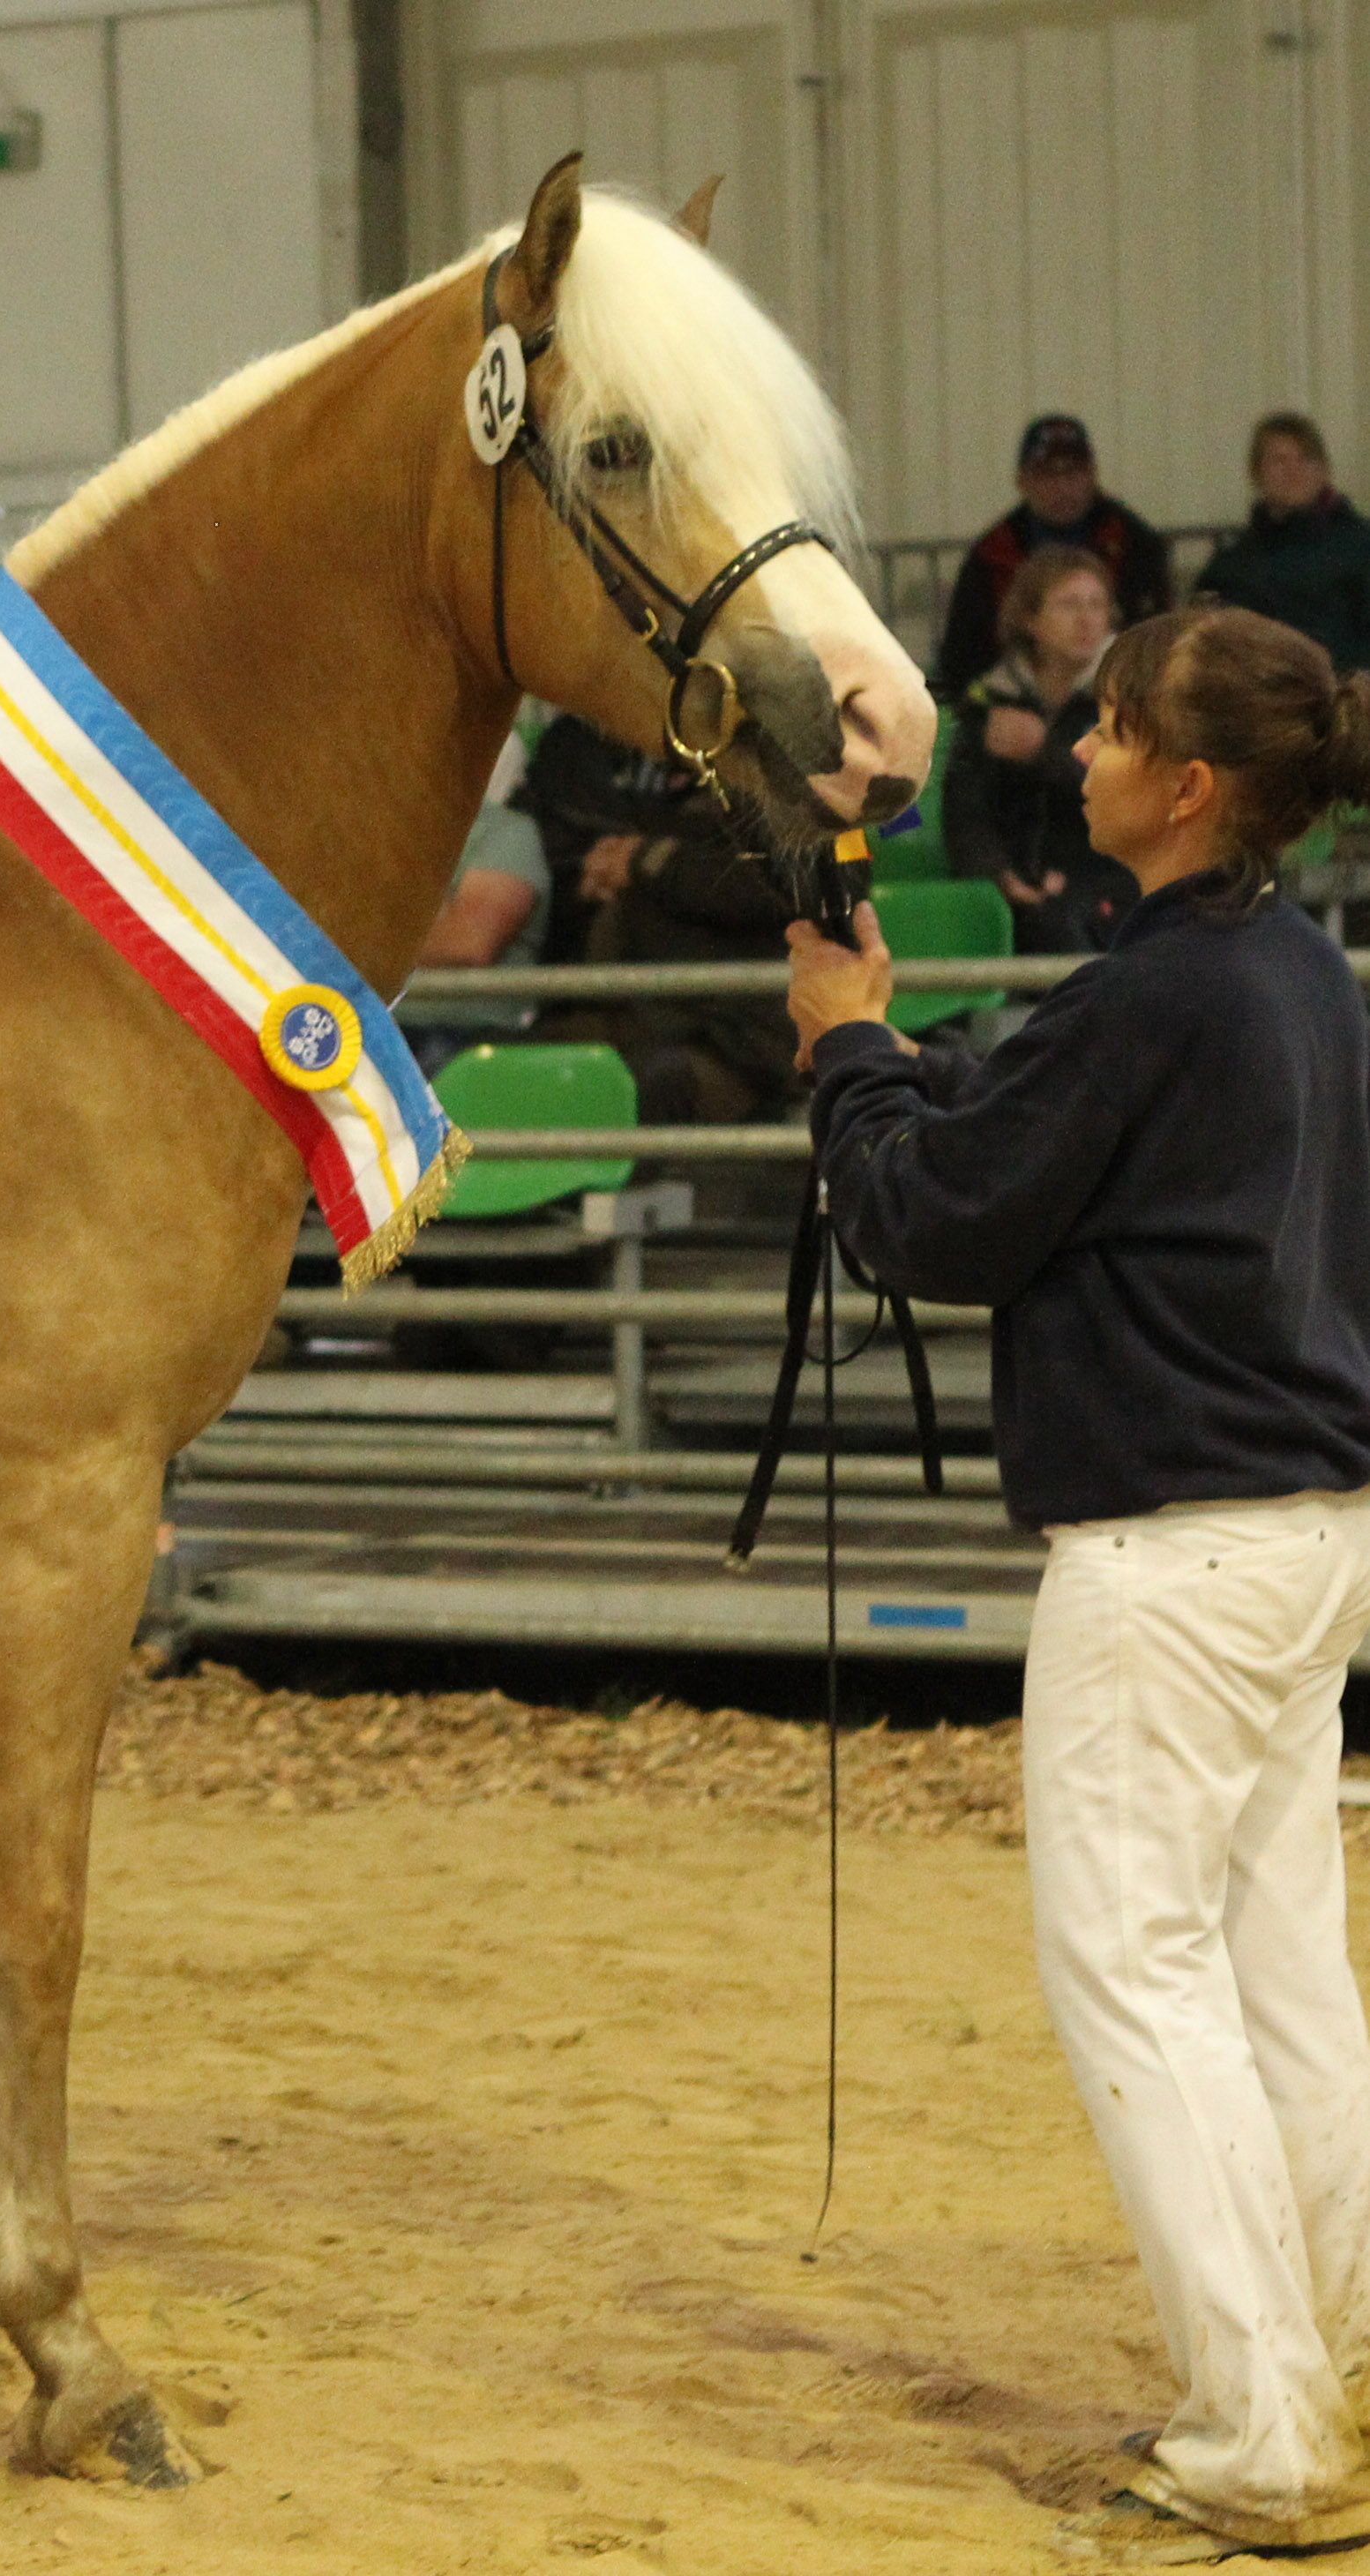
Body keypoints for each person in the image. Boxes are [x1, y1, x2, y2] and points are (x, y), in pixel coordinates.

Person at [784, 603, 1370, 2561]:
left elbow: (937, 1218)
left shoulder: (1153, 995)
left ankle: (1262, 2428)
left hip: (1166, 1548)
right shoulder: (1289, 966)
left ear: (1187, 786)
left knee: (1134, 1962)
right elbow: (1055, 1111)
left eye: (1113, 728)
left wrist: (849, 1066)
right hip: (1303, 1534)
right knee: (1281, 1961)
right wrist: (904, 1044)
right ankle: (1337, 2358)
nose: (1082, 749)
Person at [513, 712, 796, 1122]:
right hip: (620, 1015)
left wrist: (648, 859)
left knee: (643, 1084)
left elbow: (772, 884)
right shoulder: (583, 752)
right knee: (499, 1069)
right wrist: (606, 867)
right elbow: (559, 833)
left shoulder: (765, 771)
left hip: (731, 1041)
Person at [944, 544, 1134, 952]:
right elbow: (964, 810)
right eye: (1068, 605)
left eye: (1096, 605)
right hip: (1015, 887)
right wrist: (999, 874)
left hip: (1110, 883)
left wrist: (1043, 754)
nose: (1086, 620)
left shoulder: (1131, 699)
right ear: (1030, 620)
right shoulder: (991, 700)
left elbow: (1130, 798)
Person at [933, 416, 1173, 700]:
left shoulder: (1138, 546)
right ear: (1022, 481)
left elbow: (1160, 644)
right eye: (1047, 475)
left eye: (1073, 473)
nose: (1062, 487)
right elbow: (961, 661)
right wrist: (988, 718)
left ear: (1093, 475)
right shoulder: (990, 555)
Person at [396, 734, 548, 1075]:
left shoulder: (508, 833)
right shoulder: (381, 832)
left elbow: (469, 941)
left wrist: (353, 930)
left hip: (462, 1035)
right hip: (368, 1023)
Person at [1194, 413, 1370, 673]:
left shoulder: (1361, 548)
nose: (1293, 471)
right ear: (1257, 473)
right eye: (1279, 461)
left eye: (1305, 459)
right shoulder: (1231, 566)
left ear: (1323, 470)